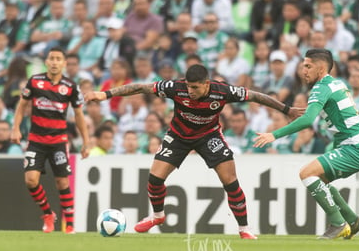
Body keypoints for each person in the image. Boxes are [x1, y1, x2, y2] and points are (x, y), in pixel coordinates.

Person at [85, 64, 304, 239]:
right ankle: (157, 216)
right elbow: (142, 87)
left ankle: (244, 229)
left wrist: (287, 110)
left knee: (230, 181)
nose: (191, 91)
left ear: (207, 84)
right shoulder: (176, 87)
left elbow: (256, 96)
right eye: (189, 87)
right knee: (154, 178)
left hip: (209, 136)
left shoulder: (223, 91)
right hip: (178, 136)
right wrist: (106, 94)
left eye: (196, 88)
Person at [253, 49, 359, 239]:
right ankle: (353, 220)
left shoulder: (321, 87)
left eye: (308, 66)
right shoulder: (337, 83)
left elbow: (308, 120)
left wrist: (274, 135)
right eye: (303, 66)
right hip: (357, 146)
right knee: (320, 180)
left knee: (306, 174)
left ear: (321, 68)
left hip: (354, 148)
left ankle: (337, 223)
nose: (304, 71)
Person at [11, 47, 90, 234]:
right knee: (31, 181)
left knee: (62, 183)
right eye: (51, 58)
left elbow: (79, 115)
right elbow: (22, 105)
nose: (54, 62)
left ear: (64, 63)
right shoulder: (35, 82)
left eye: (58, 59)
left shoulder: (70, 86)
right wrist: (15, 128)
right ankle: (47, 214)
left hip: (58, 142)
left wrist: (86, 141)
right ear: (46, 62)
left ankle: (69, 224)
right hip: (36, 140)